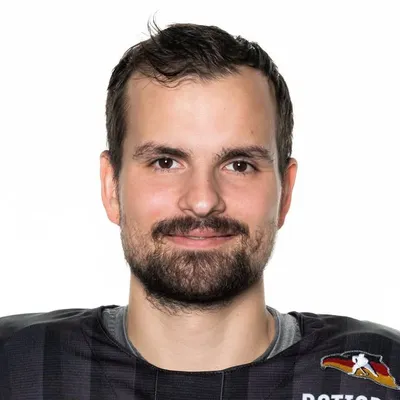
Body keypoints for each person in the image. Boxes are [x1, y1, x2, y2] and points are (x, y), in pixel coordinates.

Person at [1, 18, 399, 400]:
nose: (203, 200)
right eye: (165, 162)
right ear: (111, 187)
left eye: (239, 165)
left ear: (285, 192)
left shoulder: (386, 372)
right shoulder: (13, 365)